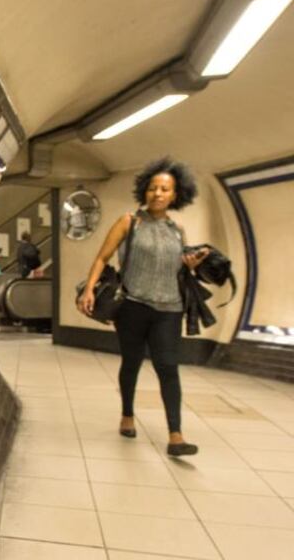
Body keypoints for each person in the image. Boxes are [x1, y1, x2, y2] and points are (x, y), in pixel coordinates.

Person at [77, 157, 209, 457]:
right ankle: (127, 414)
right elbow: (102, 257)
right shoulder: (129, 222)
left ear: (175, 195)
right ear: (144, 191)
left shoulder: (177, 230)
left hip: (169, 309)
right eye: (153, 188)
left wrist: (190, 264)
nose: (158, 193)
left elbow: (176, 269)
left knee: (168, 367)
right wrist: (89, 289)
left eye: (164, 189)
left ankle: (176, 436)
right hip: (133, 306)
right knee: (132, 362)